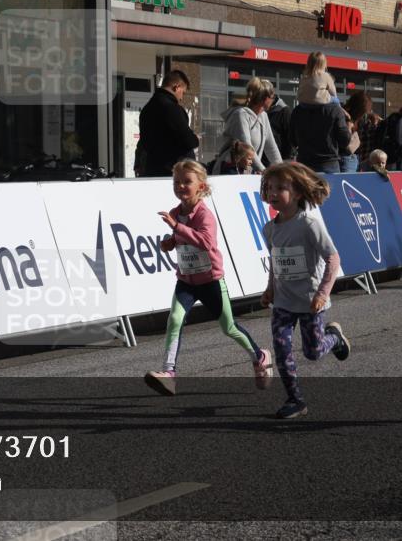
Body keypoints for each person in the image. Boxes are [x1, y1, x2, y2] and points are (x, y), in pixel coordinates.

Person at [144, 160, 273, 395]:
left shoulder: (205, 215)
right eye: (177, 182)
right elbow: (182, 239)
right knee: (174, 320)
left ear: (201, 187)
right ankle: (169, 373)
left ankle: (259, 355)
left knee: (229, 328)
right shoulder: (176, 213)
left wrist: (177, 228)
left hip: (211, 281)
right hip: (186, 281)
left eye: (187, 182)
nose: (181, 186)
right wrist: (170, 243)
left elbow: (205, 242)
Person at [260, 162, 351, 419]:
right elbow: (276, 263)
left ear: (298, 192)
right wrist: (269, 290)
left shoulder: (309, 224)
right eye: (269, 188)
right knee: (281, 349)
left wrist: (323, 293)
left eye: (281, 187)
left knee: (313, 352)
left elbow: (333, 259)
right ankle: (295, 400)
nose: (273, 193)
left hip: (311, 301)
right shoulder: (270, 229)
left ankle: (333, 337)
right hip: (283, 303)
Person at [212, 77, 282, 174]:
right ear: (265, 98)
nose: (273, 100)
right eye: (272, 97)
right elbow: (247, 147)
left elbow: (271, 146)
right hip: (231, 170)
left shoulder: (263, 116)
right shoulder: (241, 115)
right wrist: (264, 171)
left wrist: (281, 170)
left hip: (247, 170)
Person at [137, 70, 199, 177]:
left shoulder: (147, 109)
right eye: (183, 92)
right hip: (173, 171)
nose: (181, 98)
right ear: (176, 87)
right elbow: (188, 140)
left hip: (152, 168)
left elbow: (145, 142)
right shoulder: (171, 108)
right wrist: (195, 139)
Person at [289, 84, 350, 174]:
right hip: (329, 164)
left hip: (304, 164)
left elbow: (292, 139)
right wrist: (348, 128)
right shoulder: (335, 110)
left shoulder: (297, 111)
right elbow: (344, 141)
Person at [341, 91, 379, 173]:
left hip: (356, 158)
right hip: (346, 158)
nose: (364, 115)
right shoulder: (344, 116)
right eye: (363, 112)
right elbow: (344, 141)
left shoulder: (358, 120)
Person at [266, 94, 294, 161]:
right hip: (265, 155)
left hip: (279, 156)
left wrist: (286, 158)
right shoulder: (264, 110)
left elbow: (289, 137)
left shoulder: (285, 111)